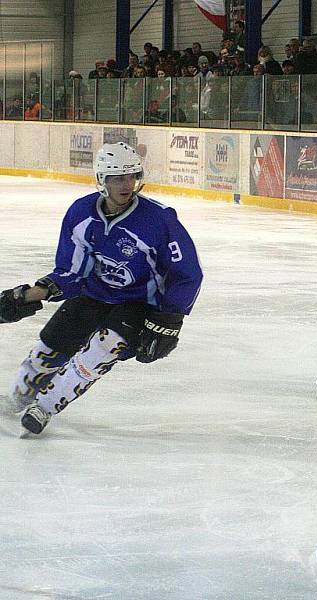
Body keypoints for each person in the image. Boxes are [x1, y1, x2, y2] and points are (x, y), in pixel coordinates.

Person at [0, 142, 203, 435]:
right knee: (50, 346)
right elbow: (73, 271)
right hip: (94, 294)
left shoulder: (160, 220)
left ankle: (45, 407)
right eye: (117, 178)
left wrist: (170, 319)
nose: (127, 184)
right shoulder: (81, 214)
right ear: (101, 180)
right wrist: (34, 292)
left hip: (139, 305)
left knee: (104, 347)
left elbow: (188, 274)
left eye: (132, 176)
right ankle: (17, 397)